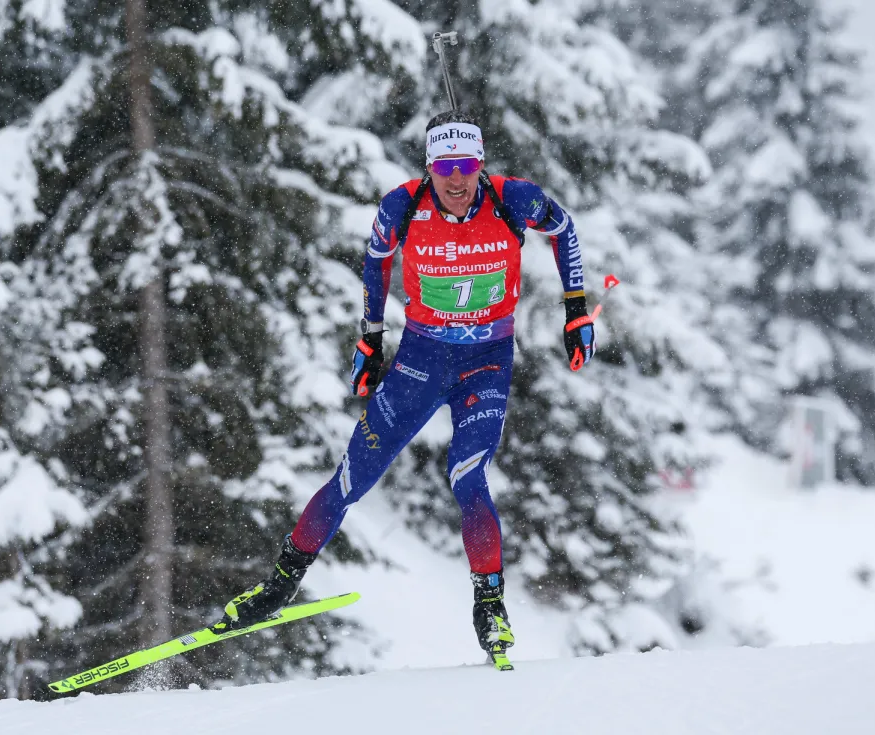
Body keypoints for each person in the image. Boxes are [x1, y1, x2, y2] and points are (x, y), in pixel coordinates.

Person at [217, 110, 596, 657]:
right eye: (445, 167)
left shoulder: (514, 200)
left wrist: (576, 308)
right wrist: (371, 339)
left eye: (466, 165)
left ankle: (489, 608)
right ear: (429, 167)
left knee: (468, 477)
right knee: (351, 478)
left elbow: (564, 231)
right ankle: (280, 584)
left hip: (486, 362)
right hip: (421, 359)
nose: (457, 179)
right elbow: (376, 263)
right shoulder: (403, 205)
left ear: (481, 163)